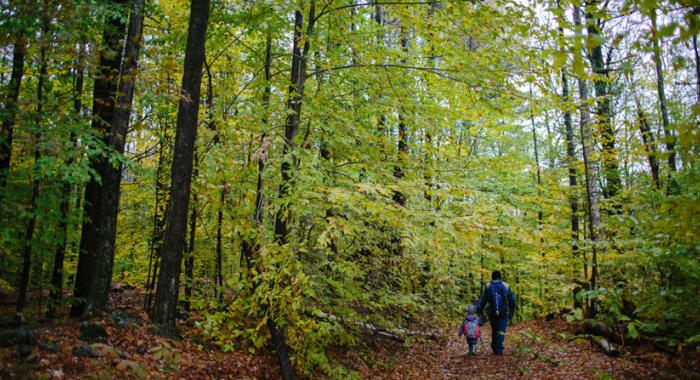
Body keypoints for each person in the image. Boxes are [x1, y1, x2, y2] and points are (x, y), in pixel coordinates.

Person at [477, 270, 516, 355]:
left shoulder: (488, 286)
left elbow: (484, 300)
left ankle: (495, 347)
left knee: (494, 329)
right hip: (503, 311)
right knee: (501, 329)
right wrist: (511, 311)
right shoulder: (506, 286)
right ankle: (499, 349)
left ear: (492, 277)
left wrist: (480, 310)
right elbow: (512, 300)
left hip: (492, 312)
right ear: (500, 277)